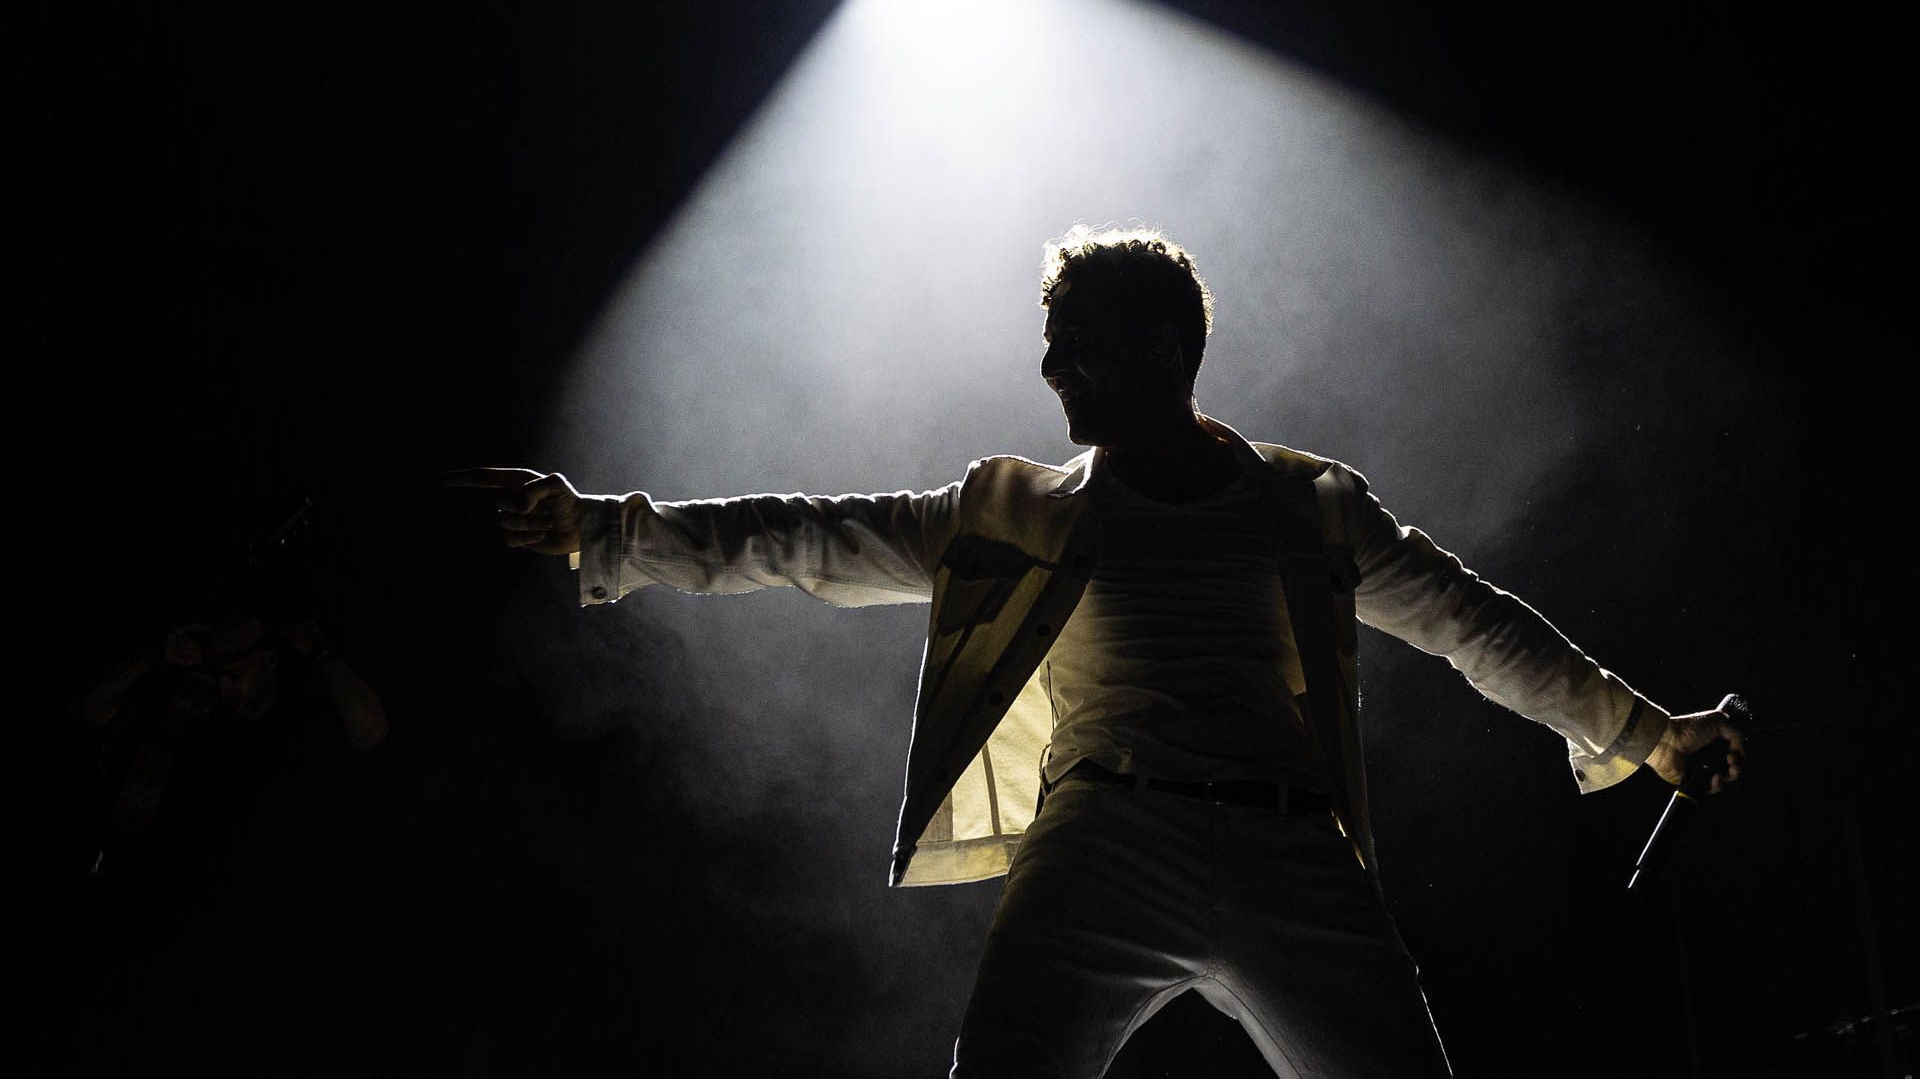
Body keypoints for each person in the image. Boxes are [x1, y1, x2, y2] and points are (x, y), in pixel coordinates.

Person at [446, 225, 1745, 1078]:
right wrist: (605, 531)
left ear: (1164, 353)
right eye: (1053, 339)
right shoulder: (1018, 509)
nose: (1048, 363)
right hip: (1104, 836)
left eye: (1077, 343)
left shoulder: (1308, 506)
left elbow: (1475, 624)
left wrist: (1652, 732)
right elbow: (811, 537)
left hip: (1294, 849)